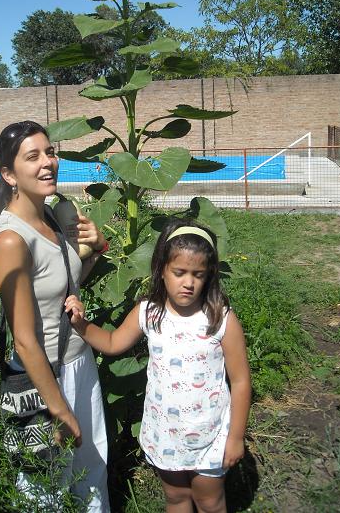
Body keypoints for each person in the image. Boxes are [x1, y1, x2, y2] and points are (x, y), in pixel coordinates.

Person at [66, 218, 251, 513]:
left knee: (210, 501)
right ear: (162, 269)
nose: (188, 283)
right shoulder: (148, 312)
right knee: (176, 498)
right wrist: (81, 325)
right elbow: (113, 343)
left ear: (210, 275)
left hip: (211, 435)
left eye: (198, 274)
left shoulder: (220, 318)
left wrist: (236, 437)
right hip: (166, 432)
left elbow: (240, 380)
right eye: (179, 272)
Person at [0, 120, 110, 512]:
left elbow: (67, 282)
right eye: (33, 156)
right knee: (44, 489)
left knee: (91, 473)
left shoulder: (53, 217)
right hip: (44, 378)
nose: (48, 163)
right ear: (9, 174)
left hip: (78, 363)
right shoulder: (11, 239)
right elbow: (24, 339)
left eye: (50, 152)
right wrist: (57, 407)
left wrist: (99, 248)